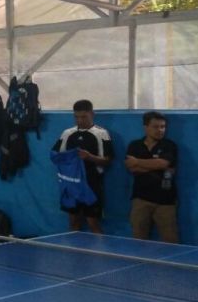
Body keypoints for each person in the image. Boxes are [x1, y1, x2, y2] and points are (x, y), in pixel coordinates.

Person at [51, 100, 113, 233]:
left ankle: (100, 247)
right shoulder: (67, 133)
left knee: (93, 223)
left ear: (92, 114)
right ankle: (73, 247)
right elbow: (56, 155)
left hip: (92, 184)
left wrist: (89, 157)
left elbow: (108, 160)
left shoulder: (101, 133)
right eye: (76, 117)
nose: (79, 120)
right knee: (73, 222)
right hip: (71, 184)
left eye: (84, 117)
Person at [125, 111, 179, 243]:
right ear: (146, 127)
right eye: (156, 127)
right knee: (139, 240)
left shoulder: (169, 145)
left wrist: (138, 162)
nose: (160, 130)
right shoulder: (135, 145)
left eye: (163, 127)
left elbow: (163, 163)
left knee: (170, 242)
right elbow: (131, 168)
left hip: (166, 201)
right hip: (140, 199)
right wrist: (157, 166)